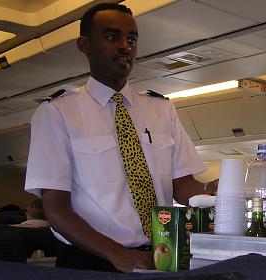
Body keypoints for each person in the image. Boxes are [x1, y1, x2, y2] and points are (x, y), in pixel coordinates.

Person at [25, 3, 218, 273]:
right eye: (112, 37)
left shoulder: (161, 109)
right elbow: (56, 209)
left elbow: (183, 186)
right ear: (85, 45)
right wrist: (116, 253)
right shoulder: (57, 113)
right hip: (90, 261)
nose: (125, 45)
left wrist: (216, 192)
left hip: (159, 255)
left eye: (132, 39)